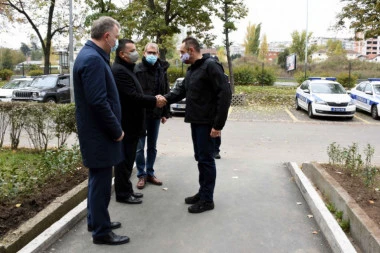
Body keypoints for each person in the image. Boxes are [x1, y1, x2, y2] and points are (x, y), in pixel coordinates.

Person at [73, 16, 129, 245]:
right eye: (115, 37)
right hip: (101, 135)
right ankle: (102, 232)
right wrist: (116, 130)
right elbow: (98, 101)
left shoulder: (91, 55)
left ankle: (95, 220)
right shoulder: (93, 59)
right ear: (107, 36)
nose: (116, 42)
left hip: (96, 134)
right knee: (102, 183)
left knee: (97, 180)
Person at [164, 37, 232, 213]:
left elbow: (224, 94)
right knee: (200, 158)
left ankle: (207, 200)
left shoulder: (210, 66)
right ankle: (202, 193)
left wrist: (218, 125)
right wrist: (164, 99)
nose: (181, 55)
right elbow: (180, 91)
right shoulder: (193, 69)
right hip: (196, 121)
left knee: (206, 160)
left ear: (191, 50)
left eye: (182, 52)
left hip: (207, 123)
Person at [112, 39, 167, 204]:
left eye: (154, 53)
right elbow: (133, 97)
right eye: (133, 50)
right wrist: (154, 101)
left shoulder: (127, 68)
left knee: (138, 154)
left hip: (145, 116)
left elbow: (165, 89)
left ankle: (129, 189)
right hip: (130, 121)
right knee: (128, 158)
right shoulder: (122, 71)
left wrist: (164, 110)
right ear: (122, 54)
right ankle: (125, 191)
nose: (136, 53)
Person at [134, 42, 170, 189]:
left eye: (154, 53)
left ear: (158, 54)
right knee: (139, 147)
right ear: (144, 53)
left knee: (152, 146)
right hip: (140, 114)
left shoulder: (162, 69)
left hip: (156, 114)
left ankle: (150, 172)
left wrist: (165, 113)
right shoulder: (136, 69)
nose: (151, 55)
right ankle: (141, 175)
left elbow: (166, 90)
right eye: (149, 52)